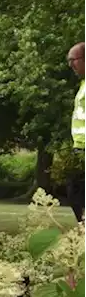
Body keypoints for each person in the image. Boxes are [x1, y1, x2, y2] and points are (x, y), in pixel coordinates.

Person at [66, 42, 86, 220]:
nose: (71, 65)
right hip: (80, 148)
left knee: (76, 193)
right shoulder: (83, 84)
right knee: (75, 193)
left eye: (73, 60)